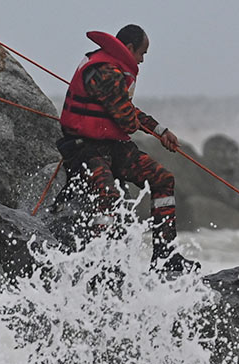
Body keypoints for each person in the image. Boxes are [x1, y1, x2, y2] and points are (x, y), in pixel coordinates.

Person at [55, 24, 198, 274]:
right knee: (108, 194)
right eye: (142, 53)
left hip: (112, 147)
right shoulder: (106, 72)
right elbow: (127, 121)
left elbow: (125, 110)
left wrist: (161, 131)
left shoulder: (114, 68)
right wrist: (140, 124)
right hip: (84, 148)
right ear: (129, 48)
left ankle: (165, 256)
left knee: (163, 179)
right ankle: (100, 261)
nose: (142, 61)